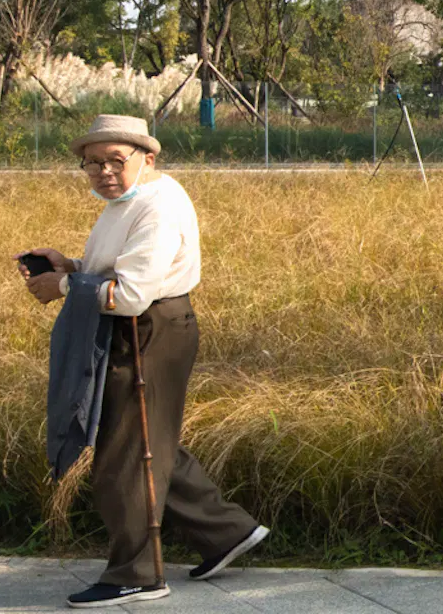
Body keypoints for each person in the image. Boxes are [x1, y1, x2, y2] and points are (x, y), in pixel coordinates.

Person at [19, 113, 271, 605]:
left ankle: (137, 574)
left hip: (147, 331)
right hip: (143, 328)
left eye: (115, 160)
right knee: (147, 441)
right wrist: (71, 265)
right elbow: (117, 270)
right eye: (93, 163)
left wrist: (64, 286)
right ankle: (227, 533)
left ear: (148, 157)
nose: (103, 172)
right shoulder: (130, 200)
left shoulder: (157, 207)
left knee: (125, 456)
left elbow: (132, 295)